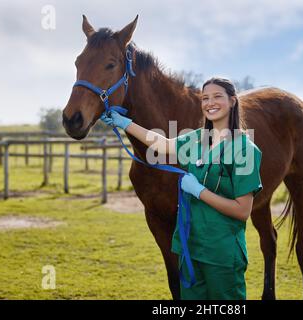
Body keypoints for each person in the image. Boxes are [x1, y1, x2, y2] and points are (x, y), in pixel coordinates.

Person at [101, 77, 263, 300]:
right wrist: (124, 123)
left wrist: (199, 192)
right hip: (189, 249)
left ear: (233, 101)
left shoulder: (246, 150)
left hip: (221, 254)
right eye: (205, 98)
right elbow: (162, 144)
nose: (210, 102)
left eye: (217, 97)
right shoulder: (197, 139)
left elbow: (242, 210)